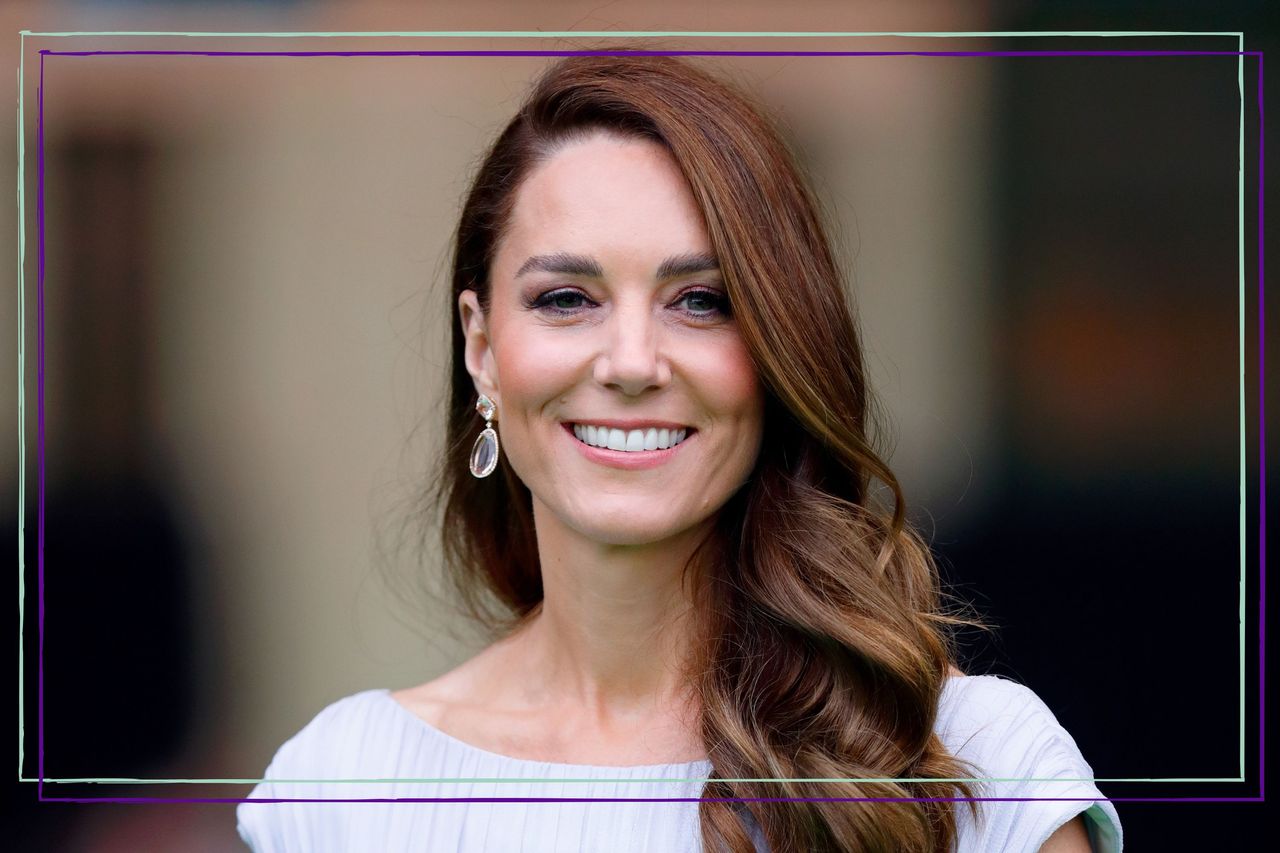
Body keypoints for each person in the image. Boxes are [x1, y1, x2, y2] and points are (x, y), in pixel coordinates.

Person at [236, 53, 1123, 852]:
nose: (630, 364)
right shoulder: (344, 790)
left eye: (699, 300)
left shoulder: (973, 769)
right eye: (565, 298)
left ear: (778, 347)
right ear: (480, 348)